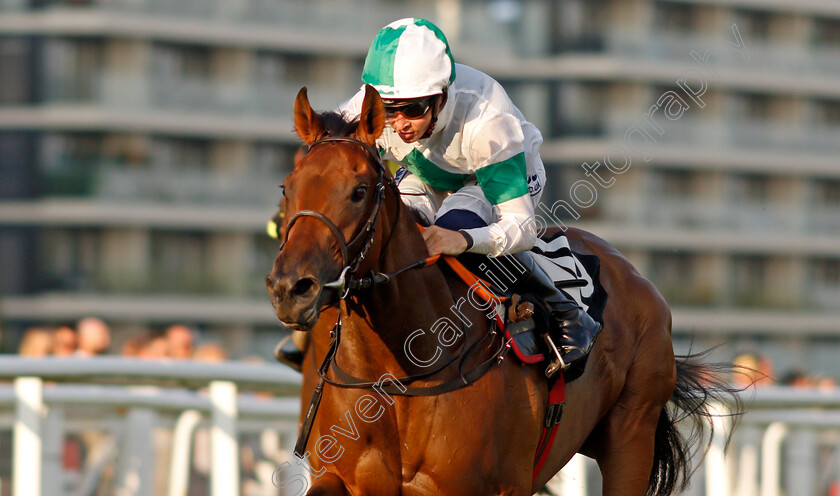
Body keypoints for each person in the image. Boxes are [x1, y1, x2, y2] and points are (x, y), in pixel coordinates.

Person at [276, 18, 600, 374]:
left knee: (456, 225)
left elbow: (522, 229)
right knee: (390, 226)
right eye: (390, 108)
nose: (399, 123)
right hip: (426, 172)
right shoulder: (368, 106)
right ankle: (320, 335)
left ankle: (566, 311)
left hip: (493, 177)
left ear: (441, 95)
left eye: (413, 109)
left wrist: (461, 240)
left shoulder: (488, 124)